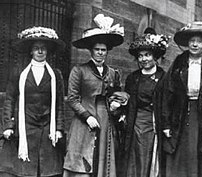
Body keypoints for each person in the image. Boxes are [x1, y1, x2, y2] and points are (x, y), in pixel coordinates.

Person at [63, 14, 126, 177]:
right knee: (83, 156)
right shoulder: (79, 70)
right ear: (91, 51)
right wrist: (86, 116)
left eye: (103, 50)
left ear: (107, 52)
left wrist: (116, 104)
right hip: (85, 117)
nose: (100, 53)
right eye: (97, 50)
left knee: (103, 156)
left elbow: (116, 94)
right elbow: (72, 98)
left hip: (106, 118)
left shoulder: (113, 73)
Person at [161, 21, 202, 177]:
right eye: (192, 41)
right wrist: (166, 123)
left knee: (200, 154)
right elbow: (167, 93)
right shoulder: (178, 62)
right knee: (180, 153)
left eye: (199, 41)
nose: (195, 44)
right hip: (180, 114)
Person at [0, 26, 66, 177]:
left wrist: (59, 129)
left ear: (48, 51)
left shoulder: (55, 75)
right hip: (25, 125)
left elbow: (60, 104)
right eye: (36, 48)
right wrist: (8, 126)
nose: (40, 51)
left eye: (43, 48)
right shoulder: (19, 72)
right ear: (31, 51)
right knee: (24, 171)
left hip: (47, 126)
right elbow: (9, 99)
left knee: (46, 170)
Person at [122, 28, 169, 177]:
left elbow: (168, 104)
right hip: (135, 123)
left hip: (155, 123)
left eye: (148, 55)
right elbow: (128, 101)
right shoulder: (133, 78)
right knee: (135, 158)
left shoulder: (164, 77)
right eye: (141, 56)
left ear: (155, 56)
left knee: (152, 158)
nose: (144, 59)